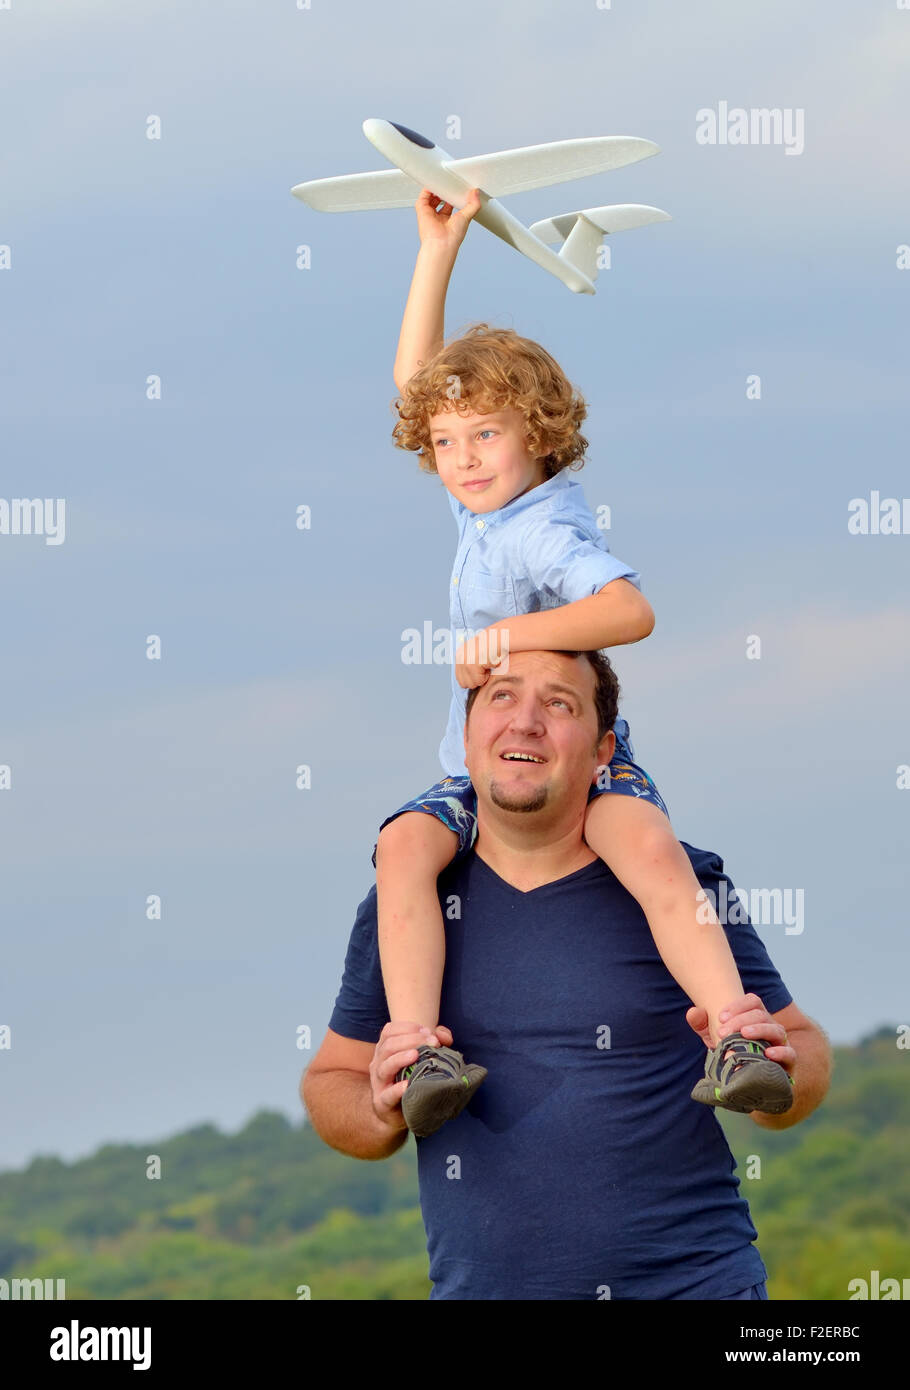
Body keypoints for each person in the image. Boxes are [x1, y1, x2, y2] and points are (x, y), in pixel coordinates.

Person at [374, 187, 792, 1138]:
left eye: (485, 435)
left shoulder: (545, 526)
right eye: (446, 443)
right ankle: (420, 1049)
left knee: (643, 845)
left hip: (575, 754)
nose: (463, 458)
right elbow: (416, 386)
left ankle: (734, 1033)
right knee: (404, 848)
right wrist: (436, 250)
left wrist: (505, 642)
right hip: (475, 772)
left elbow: (630, 609)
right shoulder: (482, 507)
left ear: (539, 434)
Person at [303, 648, 831, 1300]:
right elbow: (332, 1081)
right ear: (464, 741)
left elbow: (799, 1048)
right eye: (501, 697)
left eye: (559, 703)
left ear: (604, 747)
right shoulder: (406, 904)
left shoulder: (678, 884)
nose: (525, 721)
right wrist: (377, 1107)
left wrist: (782, 1072)